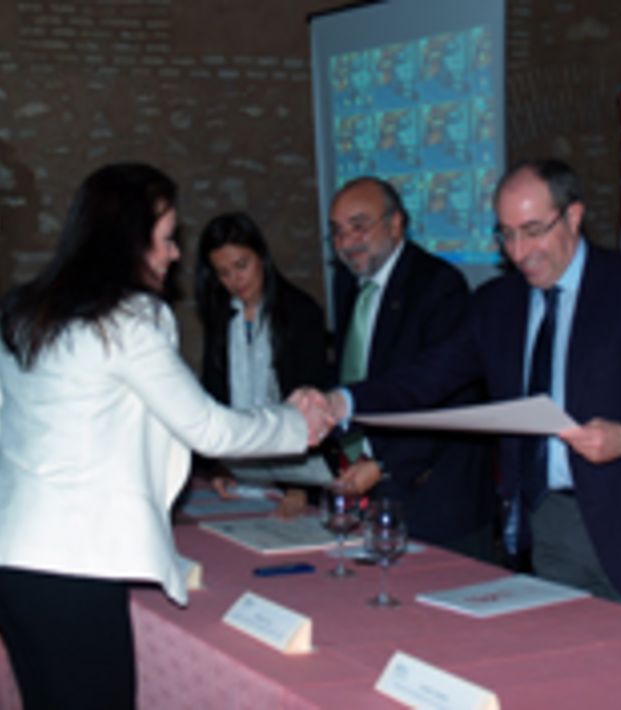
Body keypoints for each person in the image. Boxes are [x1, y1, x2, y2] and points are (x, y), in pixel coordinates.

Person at [0, 163, 329, 710]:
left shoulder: (24, 312)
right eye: (168, 238)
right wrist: (301, 422)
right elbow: (209, 428)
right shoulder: (131, 318)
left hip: (13, 556)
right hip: (75, 561)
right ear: (131, 238)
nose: (175, 253)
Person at [327, 158, 621, 623]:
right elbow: (428, 376)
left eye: (533, 230)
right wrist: (344, 401)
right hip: (548, 528)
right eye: (506, 235)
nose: (519, 250)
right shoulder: (497, 305)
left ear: (573, 216)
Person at [328, 176, 496, 559]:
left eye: (359, 226)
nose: (346, 242)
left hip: (437, 497)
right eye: (336, 232)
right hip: (370, 489)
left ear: (396, 224)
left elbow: (448, 394)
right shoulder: (347, 283)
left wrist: (385, 465)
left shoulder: (438, 285)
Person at [194, 212, 329, 513]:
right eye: (223, 272)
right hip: (241, 470)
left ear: (262, 257)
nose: (235, 280)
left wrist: (299, 485)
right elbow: (214, 397)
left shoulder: (301, 313)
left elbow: (313, 401)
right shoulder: (220, 317)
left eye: (242, 265)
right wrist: (218, 467)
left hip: (297, 469)